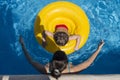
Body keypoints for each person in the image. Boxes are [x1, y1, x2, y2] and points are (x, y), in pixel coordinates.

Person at [19, 36, 105, 79]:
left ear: (51, 61)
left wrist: (23, 45)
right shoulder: (72, 70)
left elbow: (31, 60)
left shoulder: (45, 69)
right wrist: (98, 49)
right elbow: (87, 63)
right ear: (67, 62)